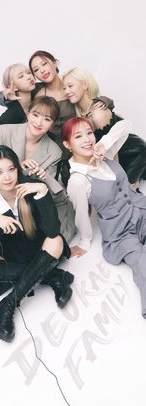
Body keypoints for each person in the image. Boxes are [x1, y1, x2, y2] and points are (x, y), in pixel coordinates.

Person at [0, 145, 73, 342]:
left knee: (56, 240)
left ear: (18, 169)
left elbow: (53, 230)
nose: (7, 177)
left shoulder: (32, 186)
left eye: (11, 169)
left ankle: (9, 304)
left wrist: (43, 190)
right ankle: (51, 275)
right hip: (15, 258)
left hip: (41, 250)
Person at [62, 117, 146, 319]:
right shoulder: (77, 181)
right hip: (120, 232)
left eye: (89, 133)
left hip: (140, 210)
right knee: (141, 262)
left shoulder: (103, 153)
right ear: (67, 145)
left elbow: (126, 125)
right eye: (78, 136)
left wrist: (104, 144)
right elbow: (81, 213)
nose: (87, 139)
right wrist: (85, 240)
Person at [0, 95, 76, 241]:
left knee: (56, 237)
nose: (38, 122)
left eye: (47, 119)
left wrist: (44, 175)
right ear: (28, 114)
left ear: (52, 124)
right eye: (35, 115)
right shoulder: (5, 131)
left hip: (29, 204)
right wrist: (17, 165)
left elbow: (48, 192)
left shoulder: (54, 151)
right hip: (2, 196)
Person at [62, 66, 146, 188]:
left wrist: (114, 178)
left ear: (85, 85)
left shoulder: (98, 113)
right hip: (119, 157)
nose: (66, 91)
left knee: (126, 196)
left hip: (134, 154)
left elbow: (113, 147)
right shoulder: (81, 113)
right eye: (64, 88)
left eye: (70, 86)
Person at [0, 63, 36, 165]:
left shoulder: (38, 97)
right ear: (12, 86)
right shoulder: (8, 117)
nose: (28, 77)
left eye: (28, 72)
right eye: (21, 76)